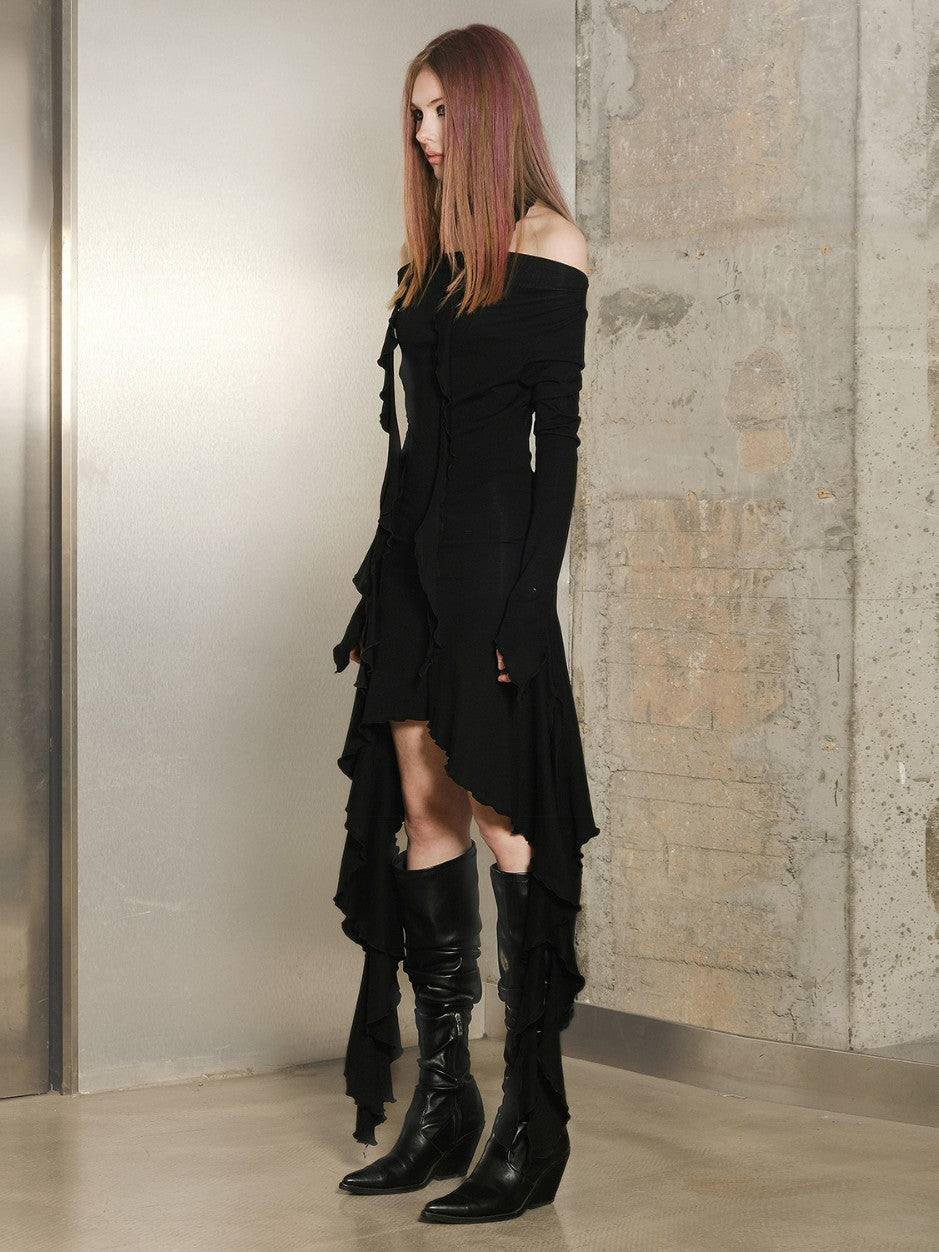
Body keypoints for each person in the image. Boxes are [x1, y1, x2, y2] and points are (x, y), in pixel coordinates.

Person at [332, 23, 598, 1225]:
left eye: (441, 112)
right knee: (425, 811)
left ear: (490, 112)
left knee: (504, 821)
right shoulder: (432, 255)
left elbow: (558, 447)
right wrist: (380, 581)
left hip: (493, 571)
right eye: (416, 114)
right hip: (412, 572)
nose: (424, 134)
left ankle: (530, 1124)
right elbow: (415, 447)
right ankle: (443, 1104)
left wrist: (527, 607)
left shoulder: (549, 246)